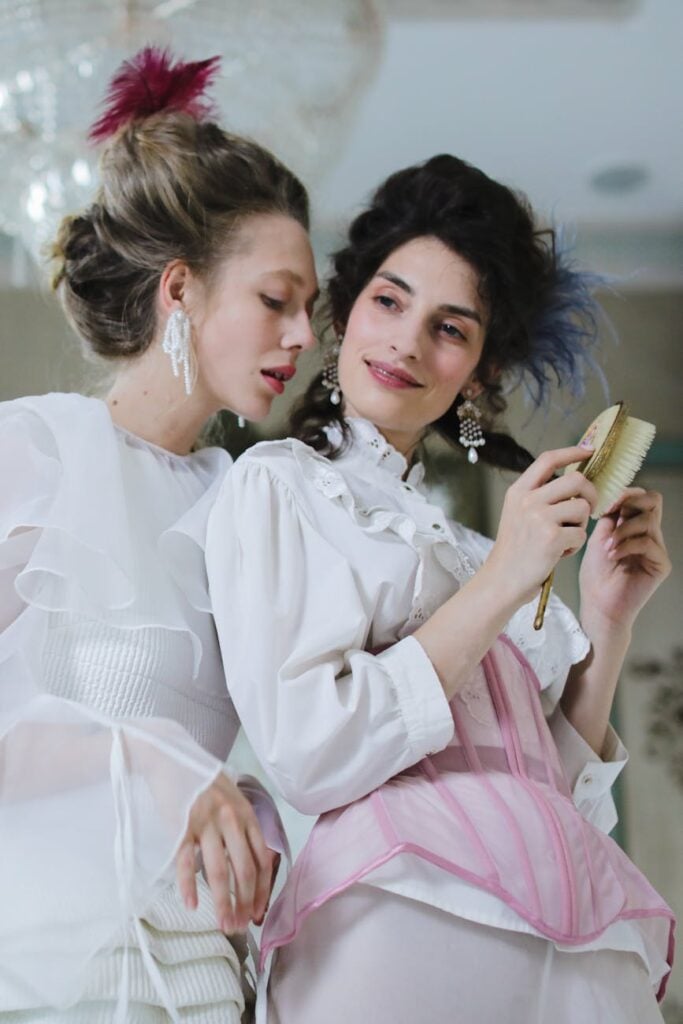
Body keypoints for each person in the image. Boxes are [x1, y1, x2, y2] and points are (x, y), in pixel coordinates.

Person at [205, 154, 674, 1023]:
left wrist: (607, 618)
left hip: (566, 930)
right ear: (343, 315)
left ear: (480, 376)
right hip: (398, 914)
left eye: (450, 328)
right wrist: (506, 576)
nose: (408, 342)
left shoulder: (464, 548)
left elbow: (549, 784)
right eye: (389, 301)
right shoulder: (279, 487)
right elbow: (310, 753)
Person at [0, 47, 318, 1023]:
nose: (304, 337)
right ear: (179, 291)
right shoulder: (33, 449)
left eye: (310, 306)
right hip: (47, 965)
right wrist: (148, 756)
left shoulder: (252, 503)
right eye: (275, 300)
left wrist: (247, 805)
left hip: (204, 978)